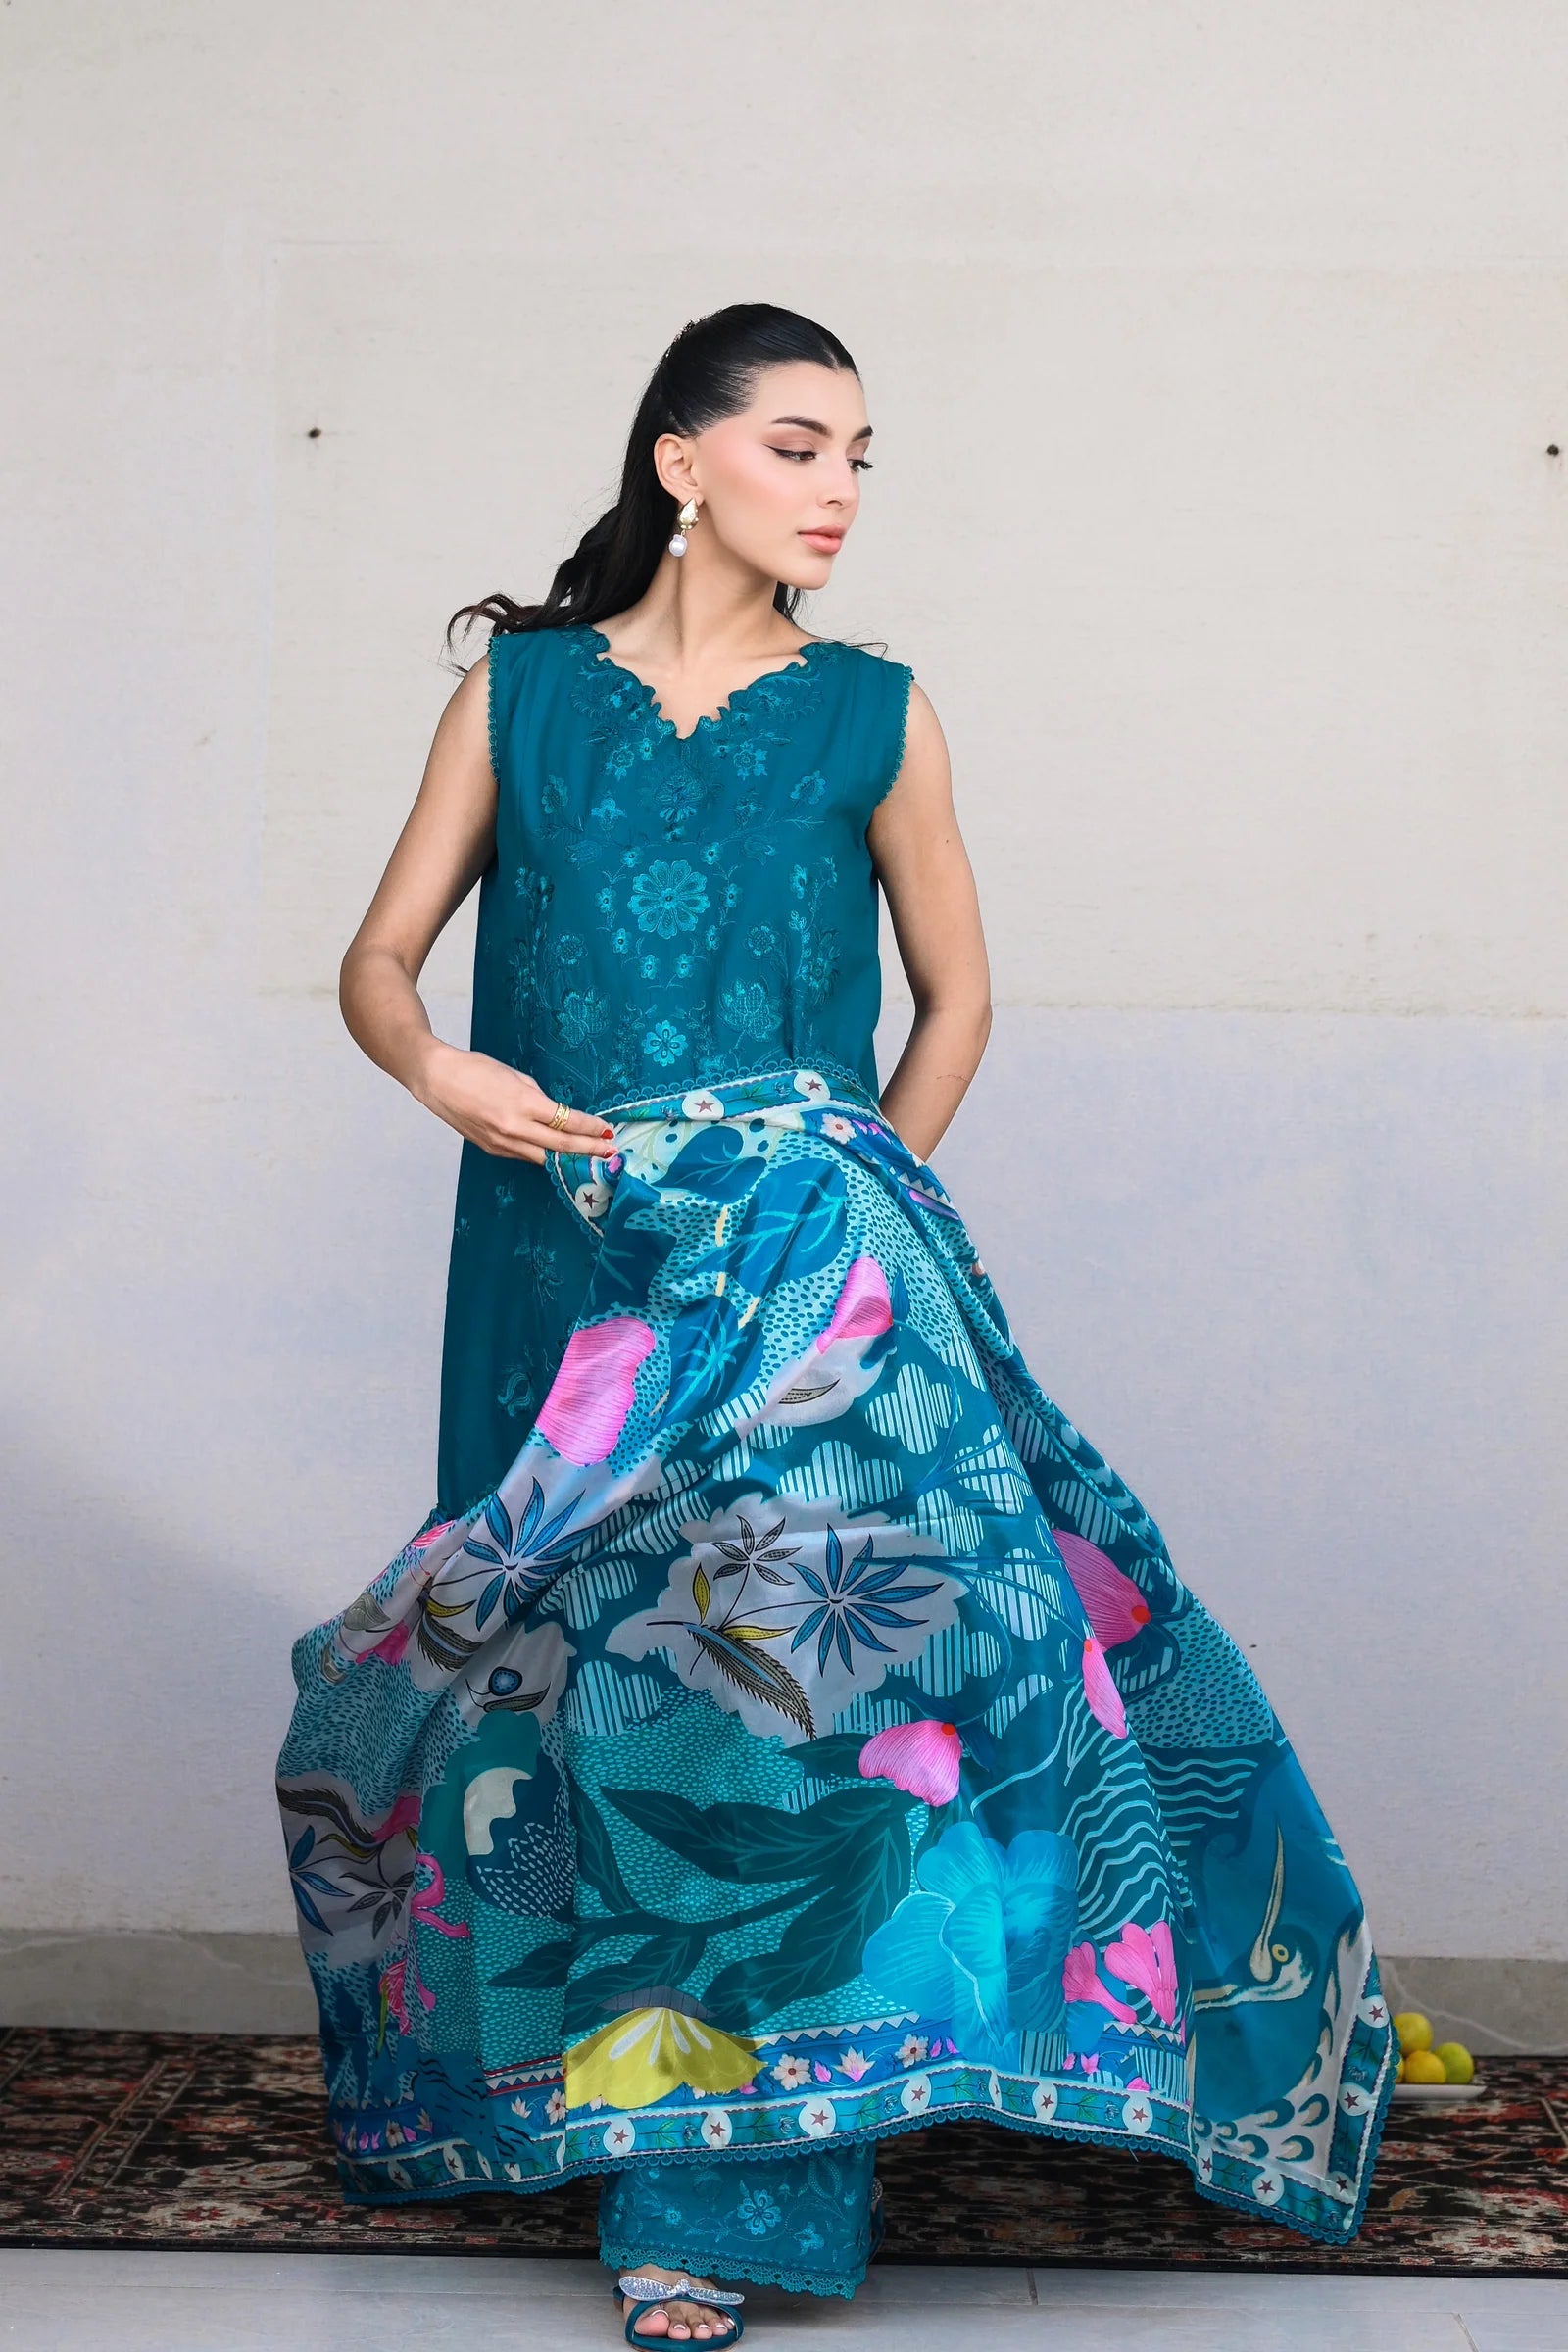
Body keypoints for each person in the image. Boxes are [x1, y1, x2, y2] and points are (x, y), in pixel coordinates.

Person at [275, 303, 1396, 2338]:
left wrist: (855, 1222)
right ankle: (584, 2097)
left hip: (805, 1272)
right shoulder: (518, 698)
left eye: (860, 457)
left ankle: (722, 2212)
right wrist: (438, 1070)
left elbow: (956, 1001)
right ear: (679, 461)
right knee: (546, 1674)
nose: (839, 491)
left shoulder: (877, 712)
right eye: (799, 446)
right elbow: (377, 959)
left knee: (763, 1700)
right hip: (561, 1252)